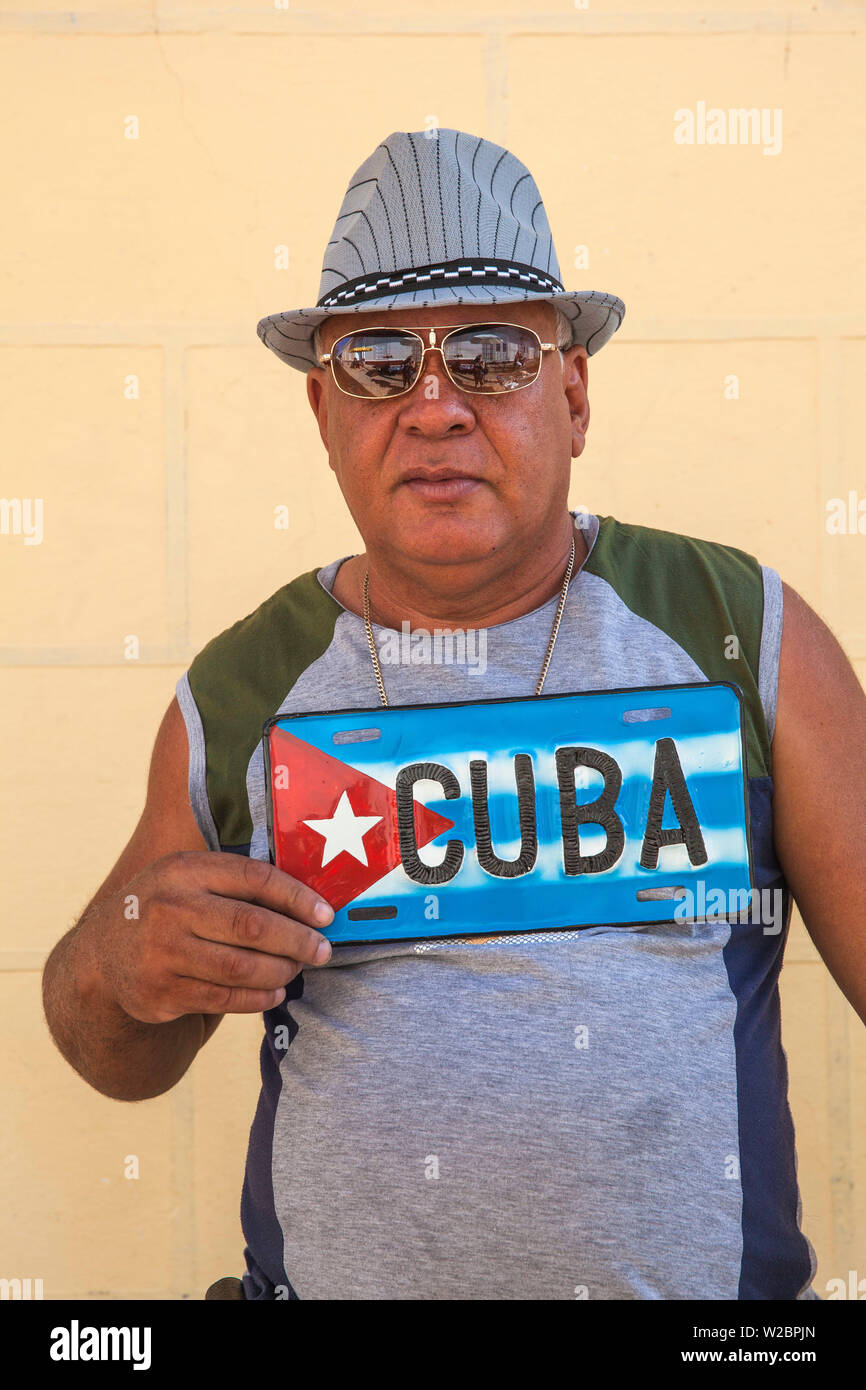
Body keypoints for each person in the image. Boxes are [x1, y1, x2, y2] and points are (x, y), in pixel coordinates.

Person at [42, 128, 866, 1302]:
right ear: (323, 415)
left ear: (571, 394)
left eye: (487, 356)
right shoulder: (243, 689)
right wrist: (123, 963)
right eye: (380, 364)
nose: (433, 409)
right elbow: (112, 1053)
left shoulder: (738, 632)